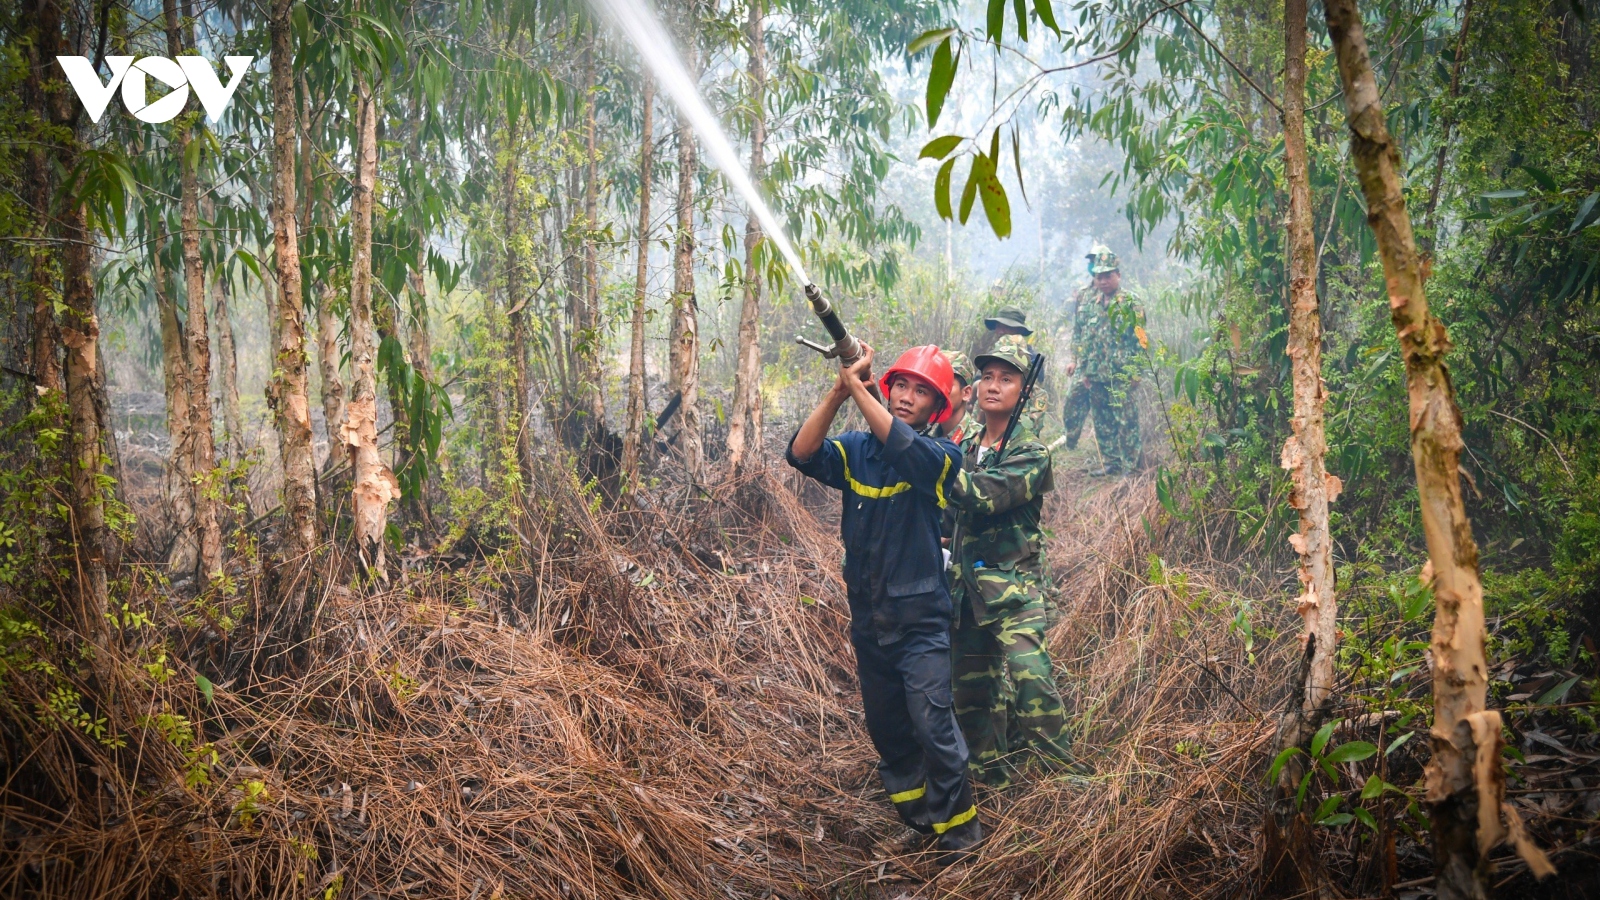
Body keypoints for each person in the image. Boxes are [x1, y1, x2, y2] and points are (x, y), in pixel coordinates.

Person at [786, 344, 985, 862]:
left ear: (937, 408)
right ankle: (920, 823)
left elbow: (903, 446)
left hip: (920, 625)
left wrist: (860, 390)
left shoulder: (939, 457)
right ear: (888, 386)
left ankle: (961, 836)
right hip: (870, 621)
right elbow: (802, 454)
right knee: (889, 729)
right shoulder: (856, 450)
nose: (907, 397)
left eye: (922, 392)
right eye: (901, 385)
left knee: (932, 725)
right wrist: (838, 390)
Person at [948, 335, 1077, 788]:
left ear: (1024, 392)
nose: (992, 386)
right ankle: (991, 778)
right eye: (986, 377)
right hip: (966, 592)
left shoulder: (1031, 452)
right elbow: (947, 516)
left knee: (1031, 680)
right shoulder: (964, 447)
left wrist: (928, 464)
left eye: (1006, 378)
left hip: (1014, 590)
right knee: (972, 693)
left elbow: (982, 496)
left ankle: (1060, 778)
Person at [1061, 245, 1146, 476]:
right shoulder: (1090, 303)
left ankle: (1131, 467)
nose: (1103, 280)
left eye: (1108, 275)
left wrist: (1136, 372)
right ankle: (1111, 462)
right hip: (1096, 374)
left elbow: (1141, 340)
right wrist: (1085, 371)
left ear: (1118, 275)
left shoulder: (1131, 303)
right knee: (1103, 421)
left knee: (1126, 421)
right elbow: (1084, 338)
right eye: (1099, 276)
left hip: (1121, 375)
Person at [979, 308, 1049, 432]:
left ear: (1018, 330)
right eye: (998, 327)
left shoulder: (1033, 360)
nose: (1000, 331)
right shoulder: (994, 352)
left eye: (1005, 327)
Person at [937, 349, 975, 443]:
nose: (939, 390)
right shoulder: (928, 432)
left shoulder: (978, 439)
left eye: (947, 384)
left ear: (966, 393)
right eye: (936, 383)